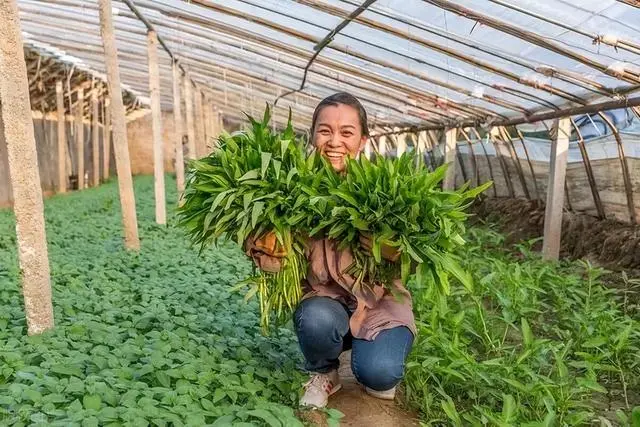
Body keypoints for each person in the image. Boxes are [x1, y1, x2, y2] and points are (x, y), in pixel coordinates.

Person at [245, 92, 416, 408]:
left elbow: (417, 254)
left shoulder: (386, 190)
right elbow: (268, 257)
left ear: (363, 140)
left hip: (379, 306)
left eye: (346, 132)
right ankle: (324, 371)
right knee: (316, 318)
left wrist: (393, 250)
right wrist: (266, 247)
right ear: (312, 136)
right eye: (325, 130)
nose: (334, 141)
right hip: (325, 303)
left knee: (380, 375)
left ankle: (373, 359)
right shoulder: (290, 187)